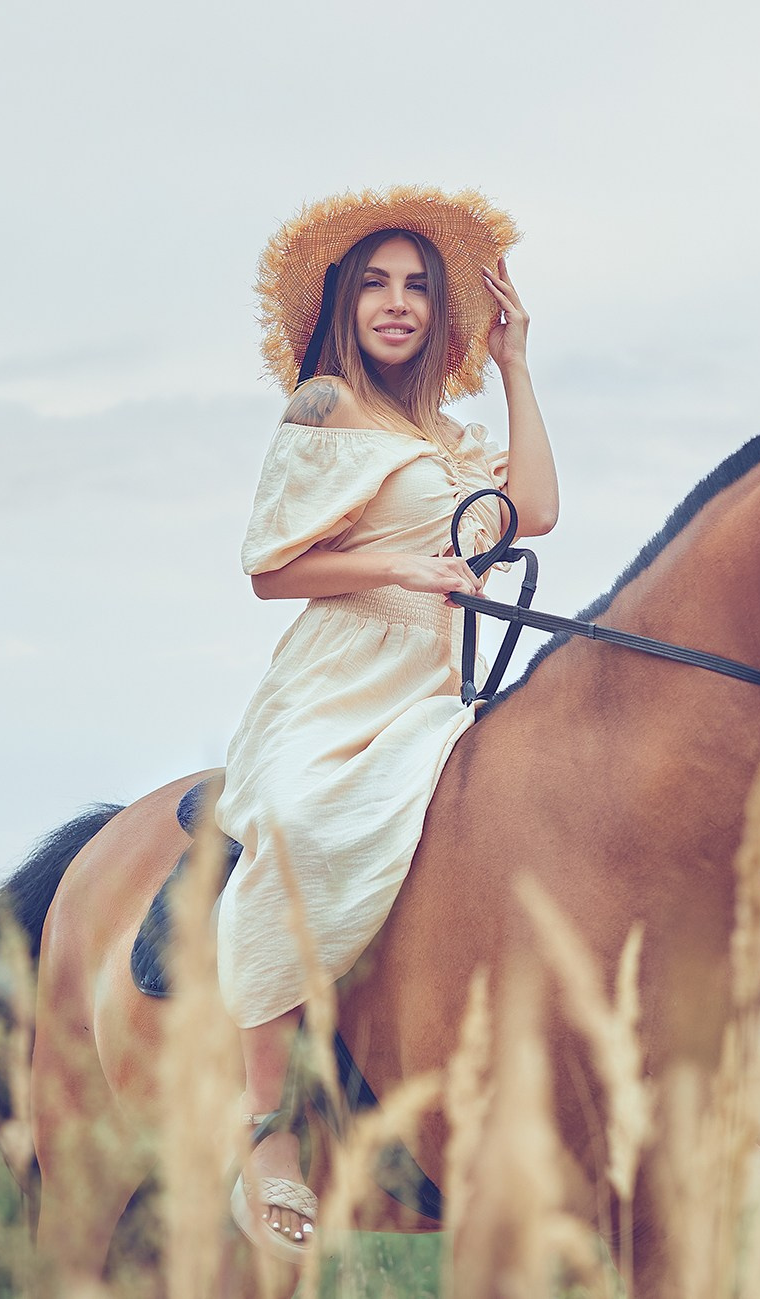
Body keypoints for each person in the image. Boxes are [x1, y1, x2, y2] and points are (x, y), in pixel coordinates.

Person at [212, 186, 558, 1261]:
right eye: (376, 284)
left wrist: (513, 367)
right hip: (335, 683)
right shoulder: (322, 408)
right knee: (299, 824)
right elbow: (268, 568)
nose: (398, 303)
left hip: (430, 691)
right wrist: (399, 562)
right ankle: (268, 1131)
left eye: (417, 287)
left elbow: (535, 513)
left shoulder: (447, 437)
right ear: (343, 305)